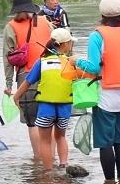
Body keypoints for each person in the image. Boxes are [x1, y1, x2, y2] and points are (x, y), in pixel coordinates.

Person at [75, 0, 120, 183]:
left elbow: (94, 67)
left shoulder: (97, 36)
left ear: (101, 14)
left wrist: (76, 61)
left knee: (106, 143)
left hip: (106, 97)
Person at [11, 28, 82, 174]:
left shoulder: (42, 62)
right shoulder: (70, 63)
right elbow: (83, 79)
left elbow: (27, 83)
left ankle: (48, 172)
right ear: (64, 44)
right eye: (70, 43)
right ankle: (63, 167)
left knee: (45, 141)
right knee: (61, 136)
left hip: (46, 108)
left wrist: (16, 96)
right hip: (64, 108)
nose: (71, 46)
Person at [3, 0, 52, 158]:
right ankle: (51, 160)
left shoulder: (11, 26)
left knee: (32, 123)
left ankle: (38, 162)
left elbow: (8, 58)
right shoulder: (46, 22)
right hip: (50, 73)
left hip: (27, 77)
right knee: (49, 121)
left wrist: (9, 85)